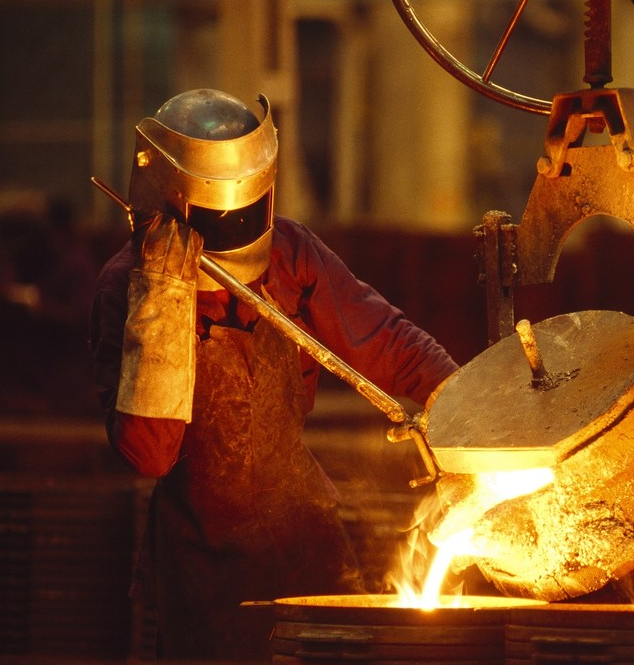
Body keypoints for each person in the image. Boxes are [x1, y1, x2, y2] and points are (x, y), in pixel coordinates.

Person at [89, 89, 458, 660]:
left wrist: (472, 409)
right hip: (202, 576)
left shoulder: (289, 254)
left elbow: (387, 341)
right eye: (219, 219)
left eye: (245, 213)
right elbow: (150, 454)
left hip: (306, 548)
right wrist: (160, 302)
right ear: (169, 198)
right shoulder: (127, 288)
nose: (236, 228)